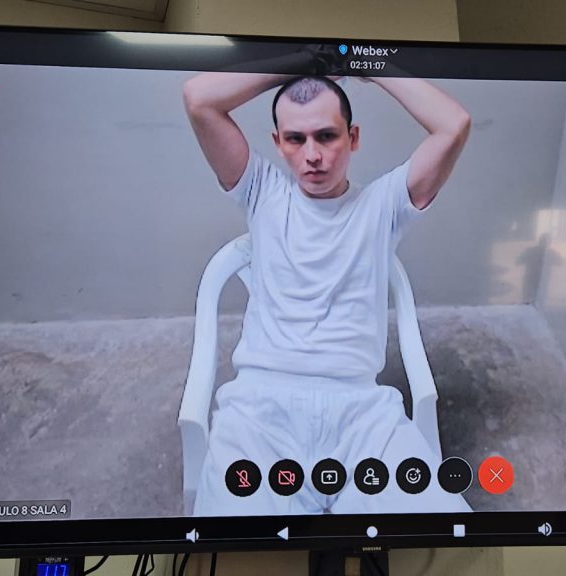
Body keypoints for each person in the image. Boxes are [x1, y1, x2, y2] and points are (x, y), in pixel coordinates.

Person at [182, 70, 471, 515]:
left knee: (453, 538)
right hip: (259, 413)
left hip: (364, 415)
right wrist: (306, 59)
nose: (312, 155)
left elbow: (454, 124)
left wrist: (366, 64)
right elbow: (198, 97)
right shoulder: (261, 191)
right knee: (235, 547)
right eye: (295, 139)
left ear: (352, 138)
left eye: (326, 136)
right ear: (278, 143)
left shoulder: (383, 205)